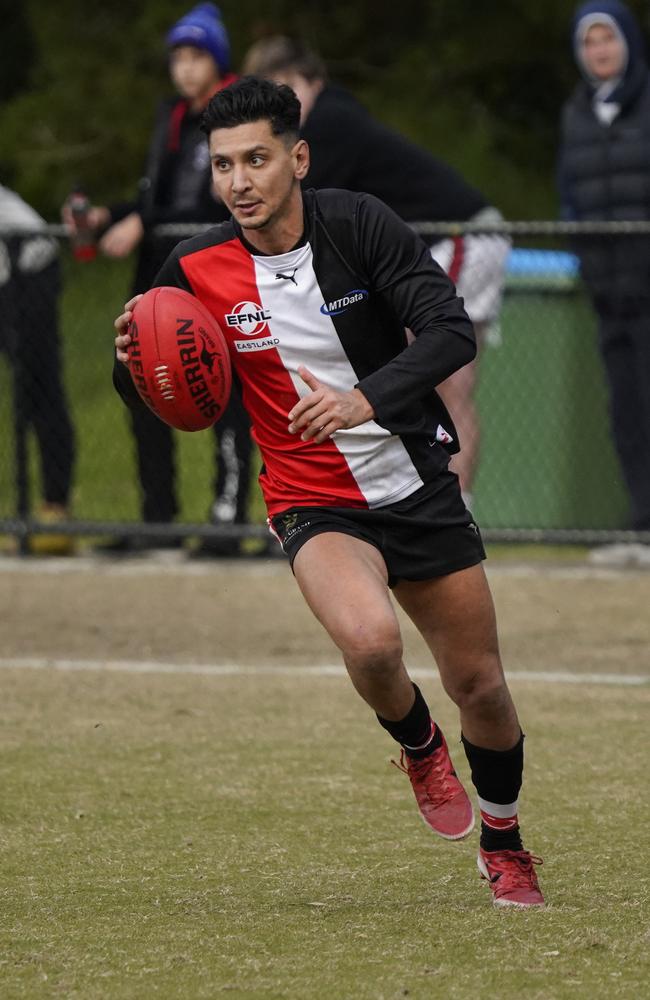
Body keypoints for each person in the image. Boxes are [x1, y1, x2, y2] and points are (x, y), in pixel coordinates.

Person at [113, 78, 544, 907]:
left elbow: (451, 329)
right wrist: (133, 356)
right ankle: (419, 745)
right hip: (313, 500)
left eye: (257, 160)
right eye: (223, 165)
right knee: (373, 642)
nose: (239, 181)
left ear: (297, 158)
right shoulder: (194, 265)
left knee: (482, 686)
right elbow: (158, 388)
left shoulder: (359, 224)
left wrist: (364, 399)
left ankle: (505, 840)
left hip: (413, 484)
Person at [242, 37, 511, 509]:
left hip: (461, 236)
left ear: (312, 81)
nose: (281, 107)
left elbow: (305, 208)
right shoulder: (329, 122)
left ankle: (454, 508)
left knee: (446, 379)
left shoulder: (330, 121)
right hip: (449, 240)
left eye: (287, 89)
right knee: (428, 378)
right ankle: (435, 498)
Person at [65, 3, 253, 555]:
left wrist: (143, 220)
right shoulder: (171, 116)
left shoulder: (234, 118)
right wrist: (109, 215)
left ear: (217, 61)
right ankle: (158, 517)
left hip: (216, 280)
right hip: (160, 283)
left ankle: (228, 519)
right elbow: (157, 201)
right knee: (145, 390)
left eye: (196, 56)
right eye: (177, 57)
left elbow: (223, 208)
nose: (184, 68)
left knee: (227, 398)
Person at [558, 1, 650, 560]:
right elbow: (570, 191)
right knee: (626, 406)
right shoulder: (575, 112)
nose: (599, 51)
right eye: (589, 43)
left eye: (607, 40)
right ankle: (642, 518)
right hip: (608, 287)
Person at [0, 184, 76, 555]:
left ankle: (54, 510)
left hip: (31, 275)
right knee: (25, 402)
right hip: (8, 281)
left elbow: (33, 239)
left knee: (41, 396)